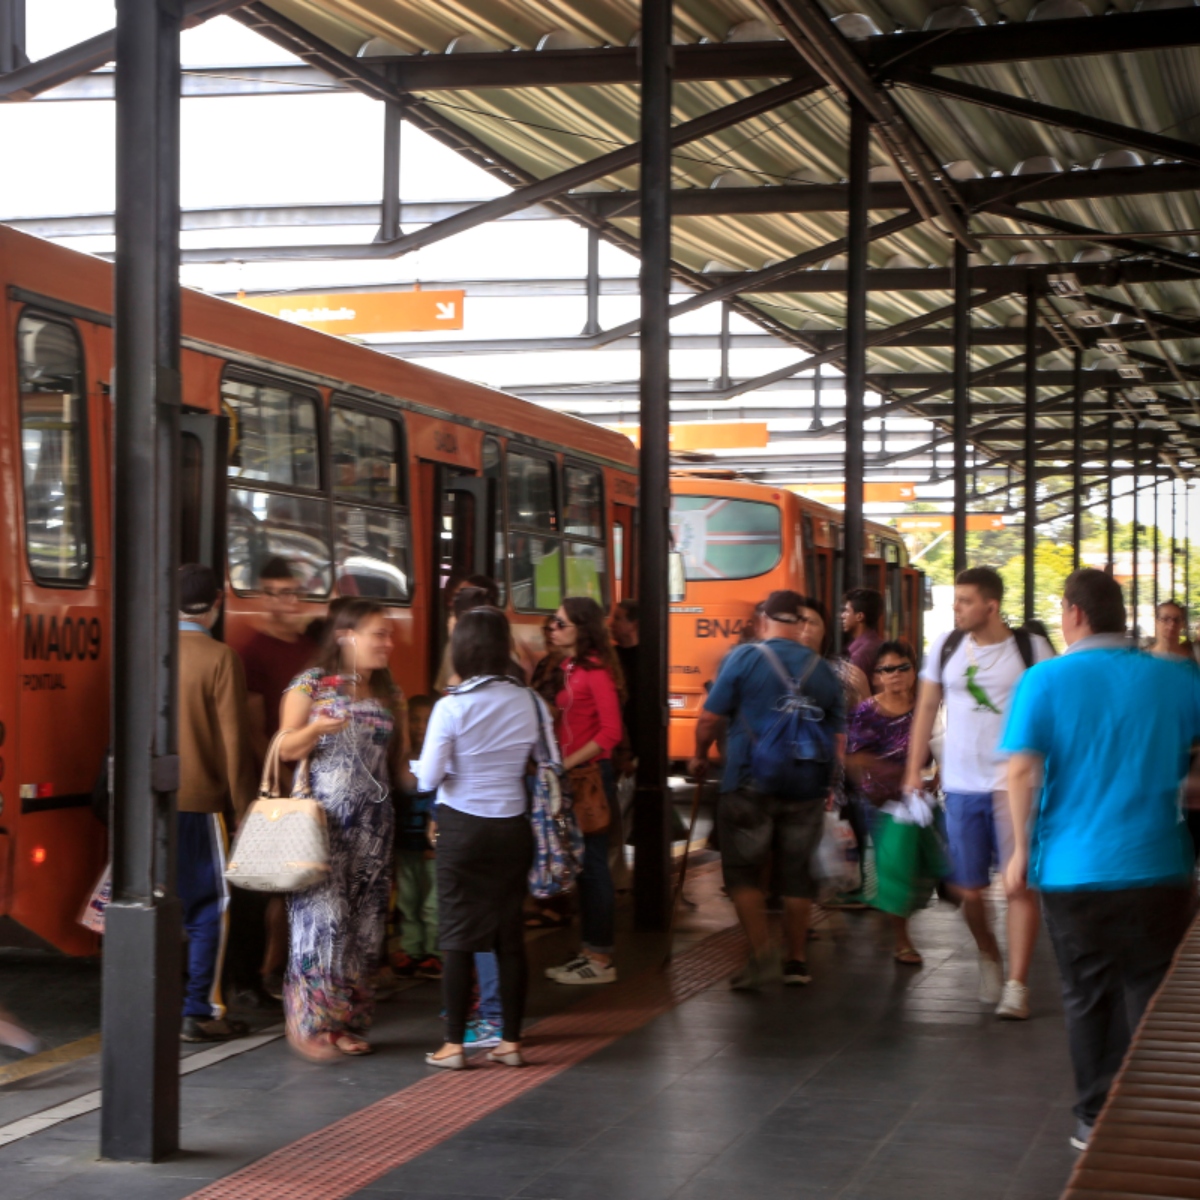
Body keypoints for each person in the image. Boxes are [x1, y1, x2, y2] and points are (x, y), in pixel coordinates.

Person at [1001, 568, 1200, 1151]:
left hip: (1072, 868)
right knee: (1147, 990)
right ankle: (1156, 1118)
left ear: (1075, 613)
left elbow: (1021, 769)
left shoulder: (1045, 680)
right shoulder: (1175, 679)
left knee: (1087, 995)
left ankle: (1093, 1120)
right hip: (1159, 862)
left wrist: (1017, 851)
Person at [903, 566, 1052, 1020]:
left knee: (1018, 884)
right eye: (955, 600)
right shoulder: (946, 648)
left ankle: (1017, 985)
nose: (956, 608)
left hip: (1016, 786)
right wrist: (913, 770)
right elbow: (926, 707)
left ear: (991, 605)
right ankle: (989, 952)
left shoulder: (1031, 650)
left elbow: (1055, 708)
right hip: (962, 785)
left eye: (965, 600)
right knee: (969, 890)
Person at [278, 599, 412, 1062]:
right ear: (346, 635)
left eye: (389, 635)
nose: (388, 643)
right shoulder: (309, 685)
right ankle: (312, 1023)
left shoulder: (388, 690)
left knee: (365, 927)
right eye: (379, 634)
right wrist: (316, 729)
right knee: (323, 923)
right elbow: (283, 746)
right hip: (324, 823)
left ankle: (346, 1023)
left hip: (376, 826)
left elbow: (400, 764)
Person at [690, 590, 845, 989]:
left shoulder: (744, 658)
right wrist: (828, 782)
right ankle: (796, 961)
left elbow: (709, 717)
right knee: (797, 874)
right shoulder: (822, 670)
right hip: (806, 785)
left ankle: (761, 954)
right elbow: (837, 737)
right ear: (799, 623)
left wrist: (699, 754)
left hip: (747, 781)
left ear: (765, 619)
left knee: (743, 873)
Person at [420, 607, 550, 1070]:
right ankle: (510, 1042)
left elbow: (429, 777)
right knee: (507, 935)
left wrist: (426, 768)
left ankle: (454, 1044)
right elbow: (546, 760)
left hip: (463, 826)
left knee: (457, 934)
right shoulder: (529, 701)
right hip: (512, 826)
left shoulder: (451, 705)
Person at [177, 564, 257, 1042]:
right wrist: (247, 806)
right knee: (210, 907)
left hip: (150, 806)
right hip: (202, 804)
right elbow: (235, 742)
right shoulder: (220, 658)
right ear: (216, 603)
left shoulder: (151, 651)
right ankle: (201, 1008)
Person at [233, 556, 318, 1004]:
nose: (287, 601)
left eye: (292, 591)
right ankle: (252, 976)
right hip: (278, 783)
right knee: (263, 885)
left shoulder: (309, 648)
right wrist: (282, 774)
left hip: (311, 777)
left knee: (302, 881)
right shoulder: (253, 651)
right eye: (277, 592)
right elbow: (252, 726)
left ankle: (287, 969)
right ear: (264, 597)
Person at [544, 597, 625, 985]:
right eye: (553, 622)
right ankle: (590, 949)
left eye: (560, 623)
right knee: (585, 864)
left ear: (582, 628)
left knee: (593, 865)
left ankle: (601, 956)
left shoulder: (595, 673)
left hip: (590, 777)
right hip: (577, 774)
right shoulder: (570, 668)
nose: (552, 628)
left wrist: (567, 764)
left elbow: (610, 731)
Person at [845, 641, 934, 965]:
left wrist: (933, 778)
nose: (895, 675)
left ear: (913, 670)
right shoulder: (867, 711)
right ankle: (902, 940)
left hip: (919, 802)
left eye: (902, 667)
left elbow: (938, 746)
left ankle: (897, 918)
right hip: (879, 803)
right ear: (876, 676)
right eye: (886, 669)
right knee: (893, 869)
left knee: (919, 868)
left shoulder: (926, 706)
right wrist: (897, 773)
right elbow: (854, 758)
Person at [392, 695, 441, 981]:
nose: (420, 726)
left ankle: (437, 952)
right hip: (405, 842)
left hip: (432, 844)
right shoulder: (399, 757)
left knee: (433, 903)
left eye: (427, 720)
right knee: (408, 901)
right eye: (414, 719)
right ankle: (413, 950)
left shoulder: (440, 756)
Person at [842, 588, 885, 678]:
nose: (843, 616)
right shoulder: (879, 643)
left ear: (859, 616)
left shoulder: (859, 655)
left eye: (847, 611)